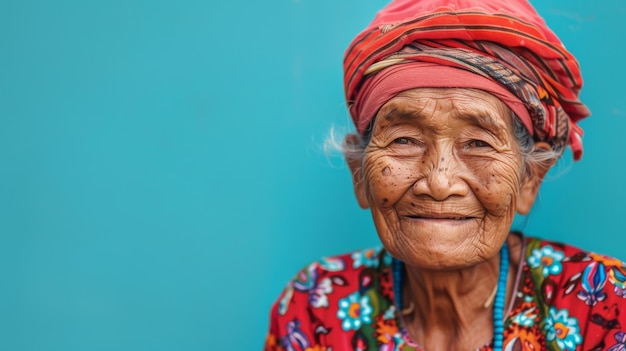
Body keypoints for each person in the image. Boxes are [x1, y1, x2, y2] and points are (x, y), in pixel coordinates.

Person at [264, 0, 626, 350]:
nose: (439, 183)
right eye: (404, 140)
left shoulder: (602, 304)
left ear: (530, 178)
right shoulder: (314, 307)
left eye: (478, 144)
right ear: (359, 174)